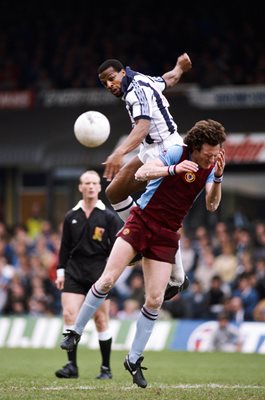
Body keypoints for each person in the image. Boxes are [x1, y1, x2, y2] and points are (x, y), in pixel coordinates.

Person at [60, 119, 226, 388]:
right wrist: (174, 169)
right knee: (107, 279)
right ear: (196, 146)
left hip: (167, 233)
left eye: (216, 151)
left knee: (155, 299)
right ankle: (74, 332)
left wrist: (217, 178)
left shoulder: (211, 169)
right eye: (209, 151)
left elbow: (212, 205)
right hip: (141, 221)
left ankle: (133, 359)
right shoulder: (176, 152)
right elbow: (141, 174)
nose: (212, 156)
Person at [98, 52, 192, 297]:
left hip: (167, 151)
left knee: (160, 217)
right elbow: (168, 80)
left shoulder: (134, 91)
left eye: (111, 78)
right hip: (150, 149)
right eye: (104, 83)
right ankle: (139, 240)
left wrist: (119, 153)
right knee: (114, 191)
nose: (109, 85)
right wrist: (179, 66)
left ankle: (178, 278)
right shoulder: (140, 79)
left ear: (121, 72)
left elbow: (143, 126)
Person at [54, 170, 122, 380]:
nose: (91, 186)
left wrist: (112, 274)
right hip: (74, 272)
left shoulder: (109, 216)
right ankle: (71, 366)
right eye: (86, 183)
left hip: (98, 274)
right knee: (69, 316)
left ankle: (105, 369)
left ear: (99, 188)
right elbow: (64, 247)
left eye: (94, 183)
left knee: (101, 320)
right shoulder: (71, 216)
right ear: (80, 187)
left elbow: (117, 249)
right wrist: (60, 271)